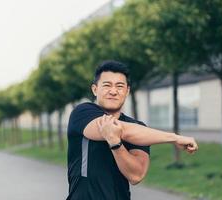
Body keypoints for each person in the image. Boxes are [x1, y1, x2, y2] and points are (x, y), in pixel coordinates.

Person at [66, 60, 198, 200]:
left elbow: (136, 176)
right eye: (107, 85)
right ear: (95, 89)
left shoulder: (139, 128)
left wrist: (116, 144)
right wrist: (174, 138)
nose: (113, 91)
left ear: (127, 91)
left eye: (120, 86)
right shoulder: (83, 113)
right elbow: (120, 129)